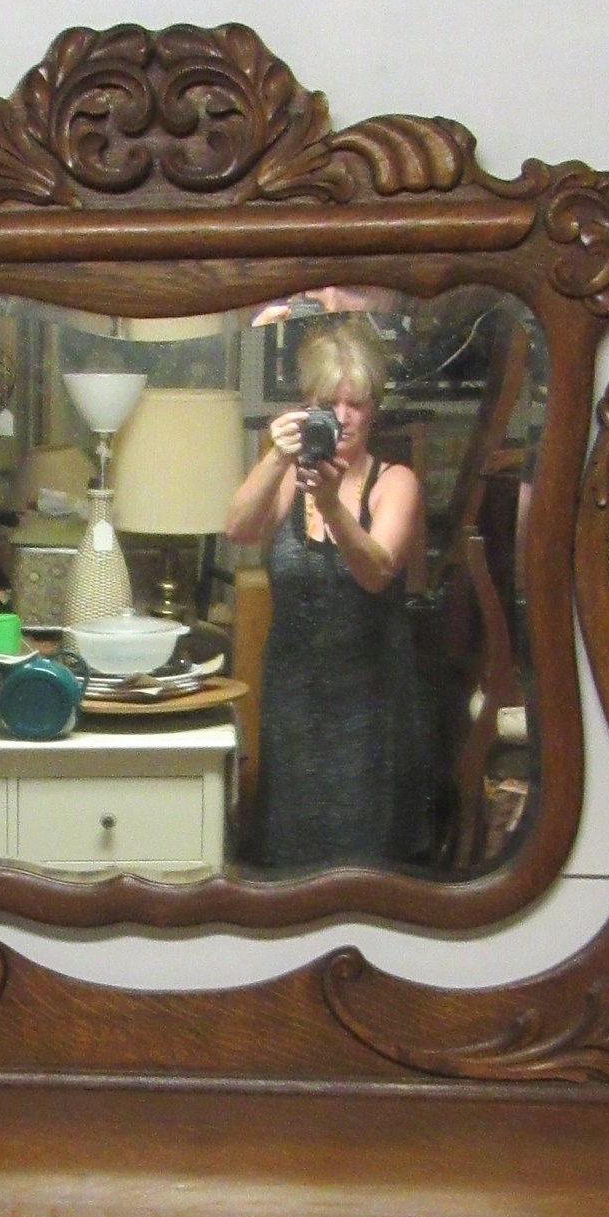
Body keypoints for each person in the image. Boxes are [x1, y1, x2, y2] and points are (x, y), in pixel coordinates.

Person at [224, 317, 434, 871]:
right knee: (291, 859)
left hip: (374, 704)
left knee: (367, 865)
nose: (343, 418)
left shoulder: (396, 482)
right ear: (306, 407)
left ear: (374, 408)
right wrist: (276, 453)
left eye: (357, 403)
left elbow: (376, 570)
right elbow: (238, 531)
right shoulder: (288, 476)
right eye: (329, 403)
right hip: (294, 697)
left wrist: (336, 507)